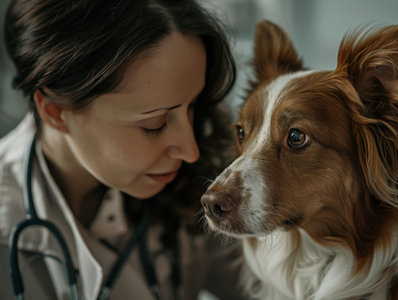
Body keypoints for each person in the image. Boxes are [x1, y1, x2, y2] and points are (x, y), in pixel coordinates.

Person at [0, 0, 246, 299]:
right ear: (54, 111)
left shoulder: (201, 177)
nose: (189, 150)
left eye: (191, 106)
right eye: (154, 124)